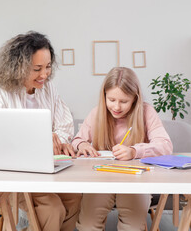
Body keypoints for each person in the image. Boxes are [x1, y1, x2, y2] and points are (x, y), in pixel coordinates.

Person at [0, 31, 81, 231]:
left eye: (48, 67)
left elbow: (64, 125)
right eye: (37, 69)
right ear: (17, 68)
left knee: (75, 196)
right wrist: (40, 140)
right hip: (14, 176)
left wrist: (58, 141)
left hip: (48, 171)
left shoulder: (49, 89)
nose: (44, 75)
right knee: (53, 209)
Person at [72, 67, 173, 231]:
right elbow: (77, 139)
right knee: (88, 225)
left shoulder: (146, 112)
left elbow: (165, 145)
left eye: (124, 101)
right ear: (104, 95)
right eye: (111, 99)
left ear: (135, 98)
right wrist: (82, 145)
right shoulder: (97, 113)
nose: (116, 107)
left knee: (133, 227)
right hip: (101, 179)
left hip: (136, 180)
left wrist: (134, 151)